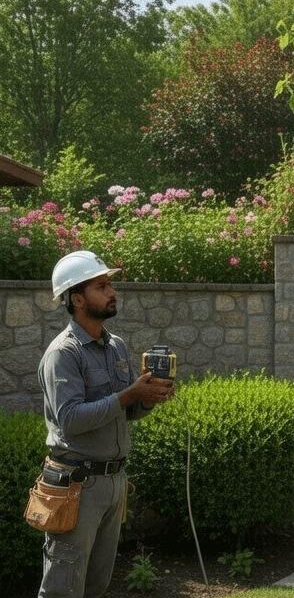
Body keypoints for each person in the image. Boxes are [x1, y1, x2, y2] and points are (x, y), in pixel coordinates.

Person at [37, 250, 175, 597]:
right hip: (75, 484)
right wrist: (130, 395)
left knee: (97, 584)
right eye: (102, 286)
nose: (112, 291)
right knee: (63, 588)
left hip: (114, 481)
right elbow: (69, 420)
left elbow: (126, 412)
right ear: (77, 298)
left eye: (110, 284)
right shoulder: (63, 354)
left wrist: (148, 398)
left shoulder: (115, 346)